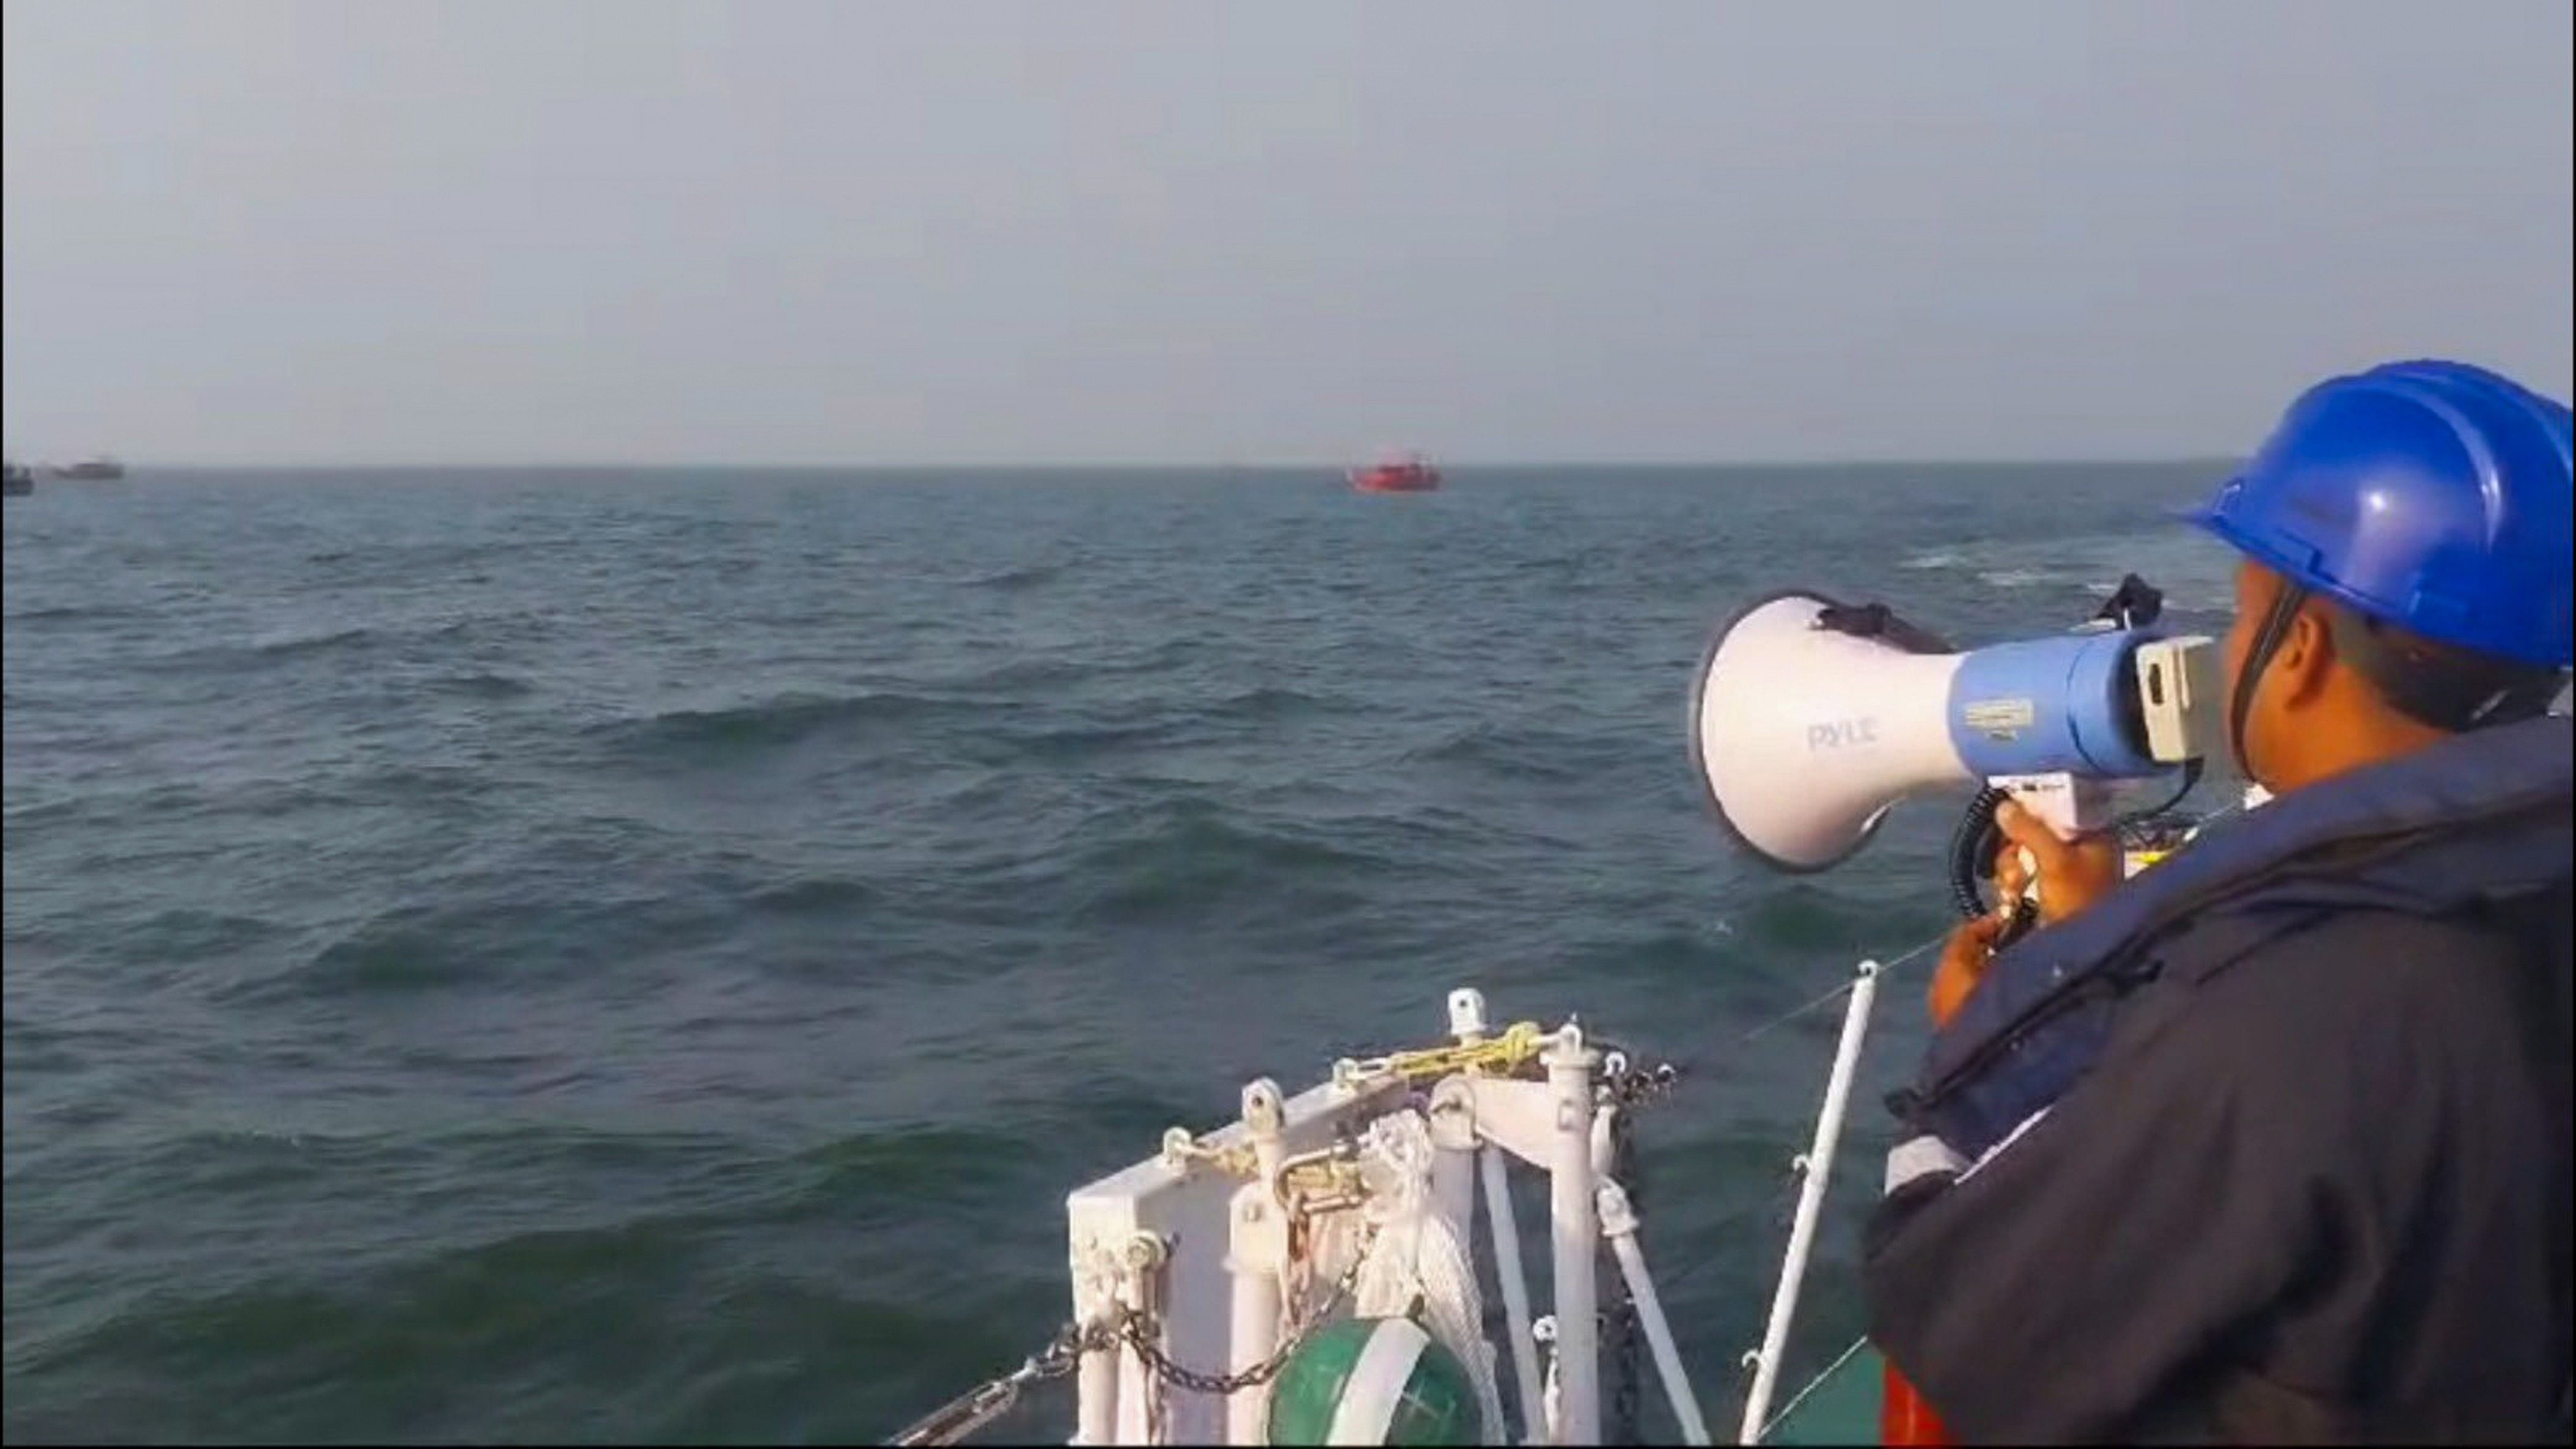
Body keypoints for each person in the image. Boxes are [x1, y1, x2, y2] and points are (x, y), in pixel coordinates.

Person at [1863, 359, 2574, 1444]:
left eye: (2243, 617)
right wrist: (2096, 936)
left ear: (2295, 653)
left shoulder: (2298, 1009)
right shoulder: (2521, 893)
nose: (2227, 651)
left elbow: (1969, 1324)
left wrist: (1997, 1066)